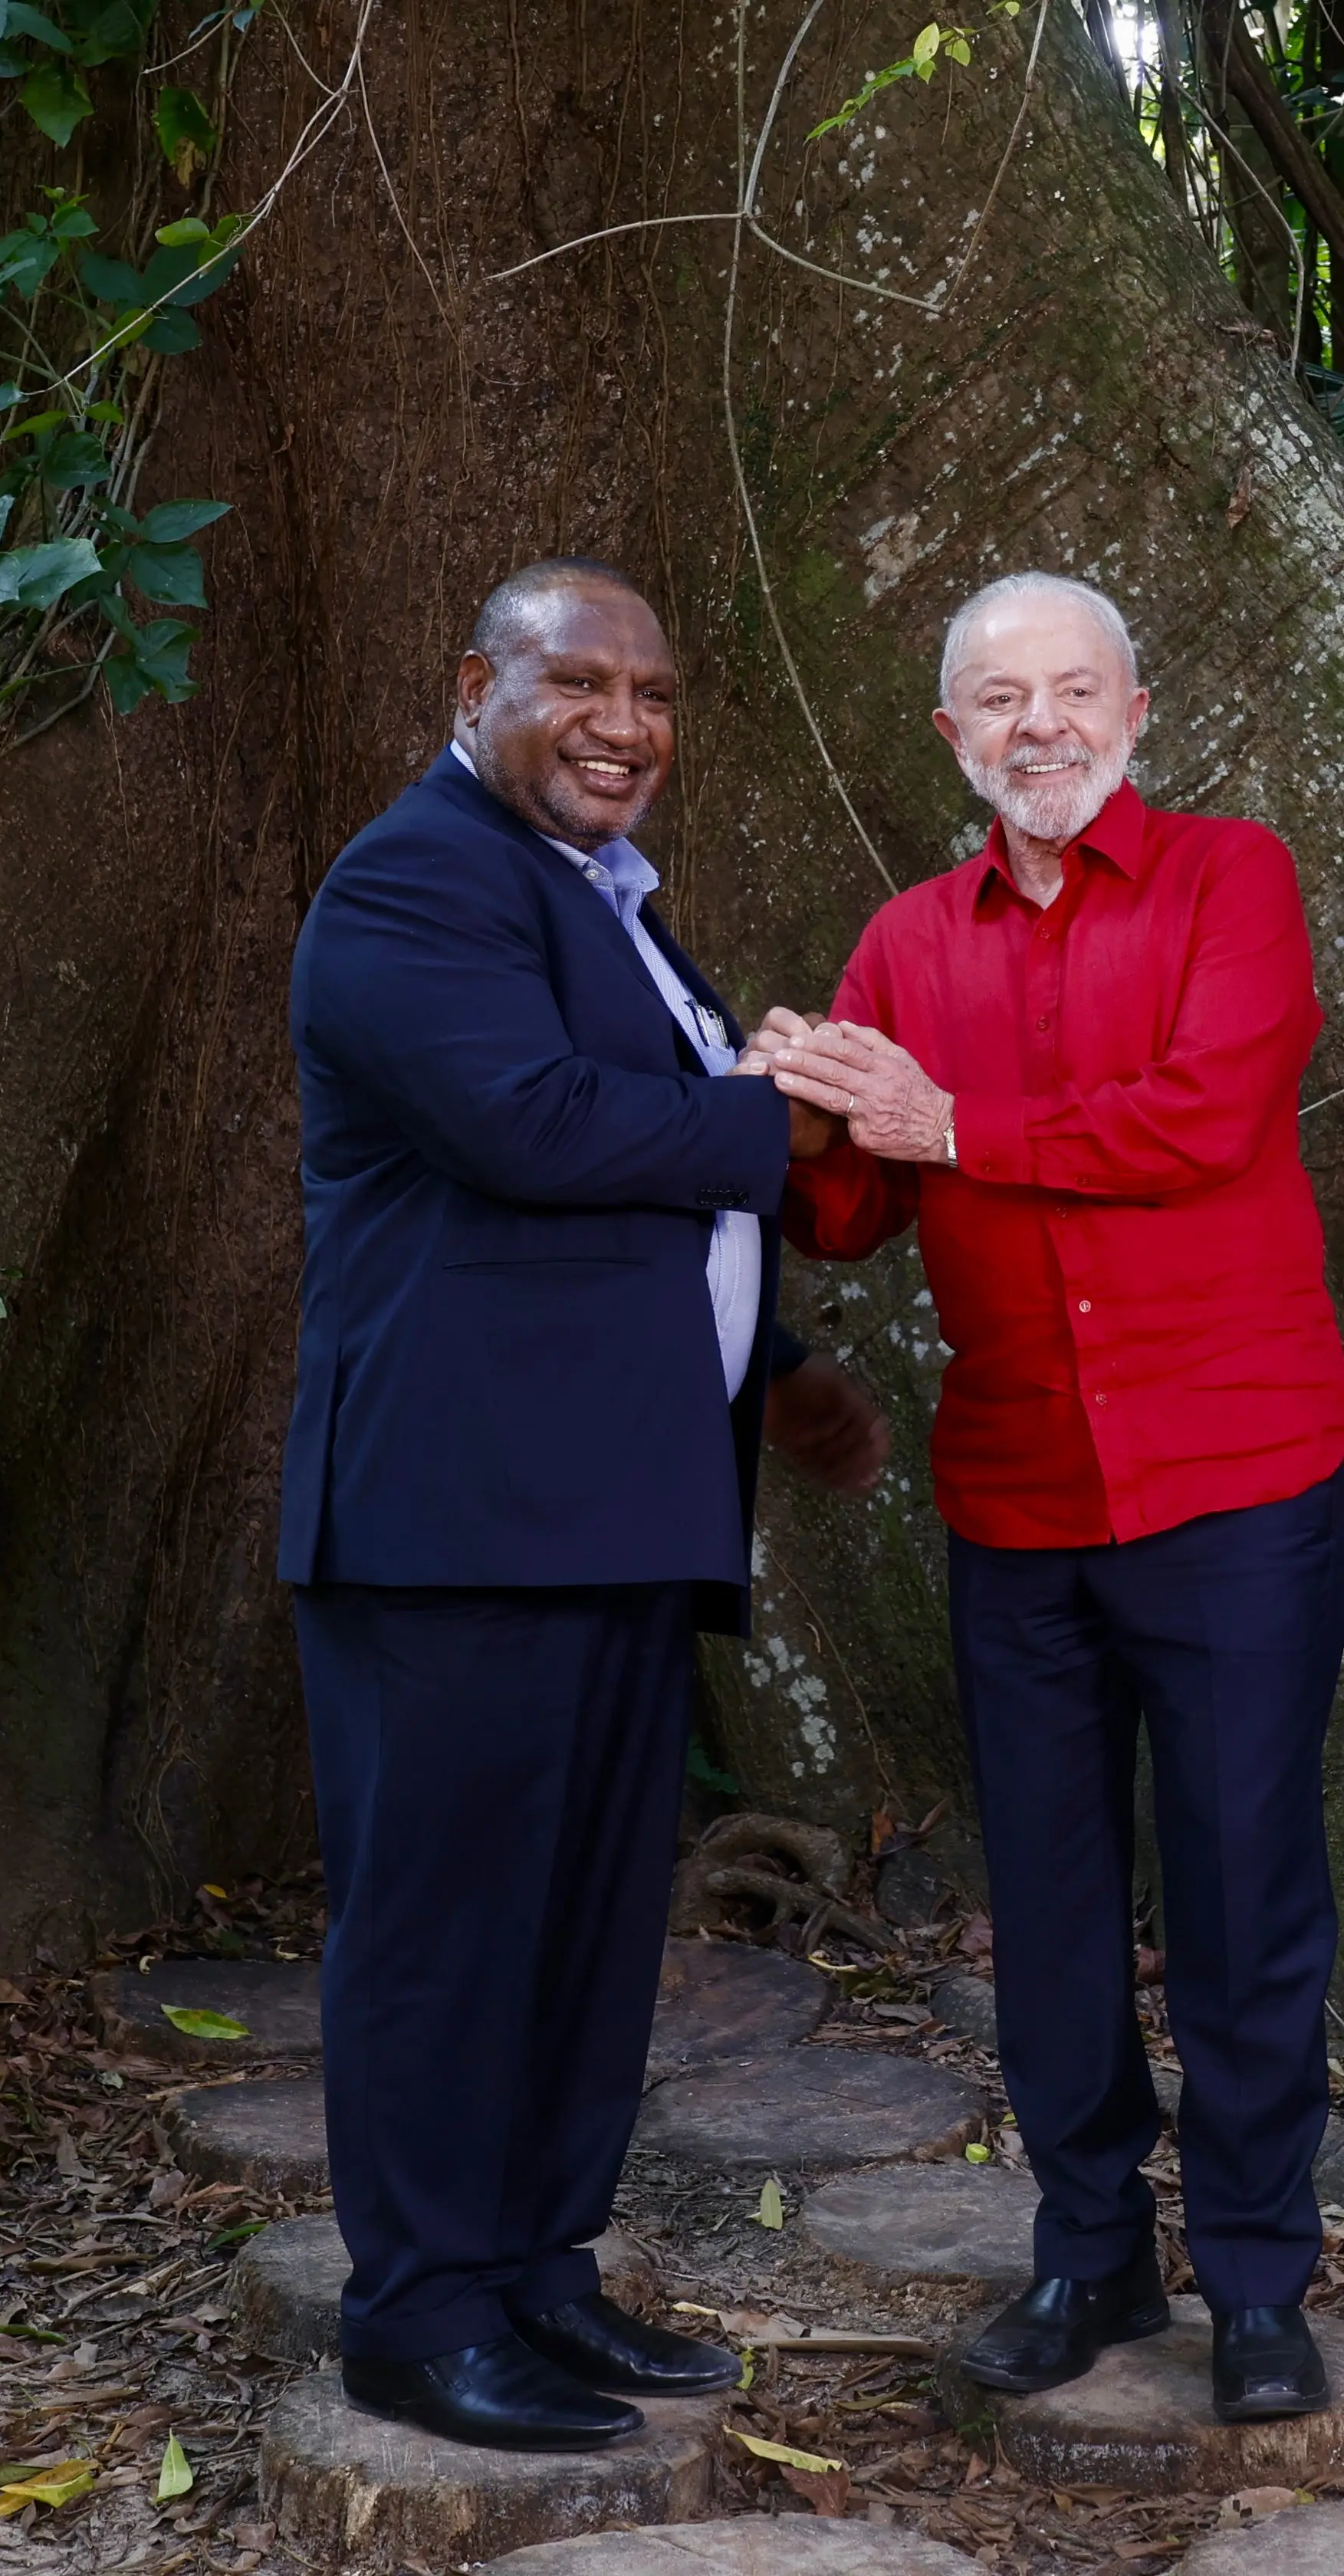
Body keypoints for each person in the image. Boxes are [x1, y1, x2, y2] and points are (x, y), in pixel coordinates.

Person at [284, 557, 889, 2452]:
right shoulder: (414, 875)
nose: (625, 724)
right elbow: (525, 1124)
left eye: (655, 690)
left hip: (613, 1512)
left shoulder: (605, 903)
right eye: (580, 684)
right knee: (449, 1927)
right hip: (456, 1518)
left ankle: (538, 2277)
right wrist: (780, 1122)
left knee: (575, 1928)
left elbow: (641, 1183)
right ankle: (418, 2314)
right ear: (478, 684)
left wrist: (769, 1365)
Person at [752, 572, 1344, 2425]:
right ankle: (1088, 2251)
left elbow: (1205, 1119)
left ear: (1135, 709)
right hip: (1017, 1494)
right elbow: (852, 1211)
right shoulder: (902, 944)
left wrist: (950, 1127)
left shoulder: (1226, 880)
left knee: (1245, 1891)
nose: (1041, 725)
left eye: (1073, 690)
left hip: (1237, 1475)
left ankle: (1258, 2280)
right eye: (998, 699)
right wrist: (795, 1112)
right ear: (951, 738)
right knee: (1050, 1894)